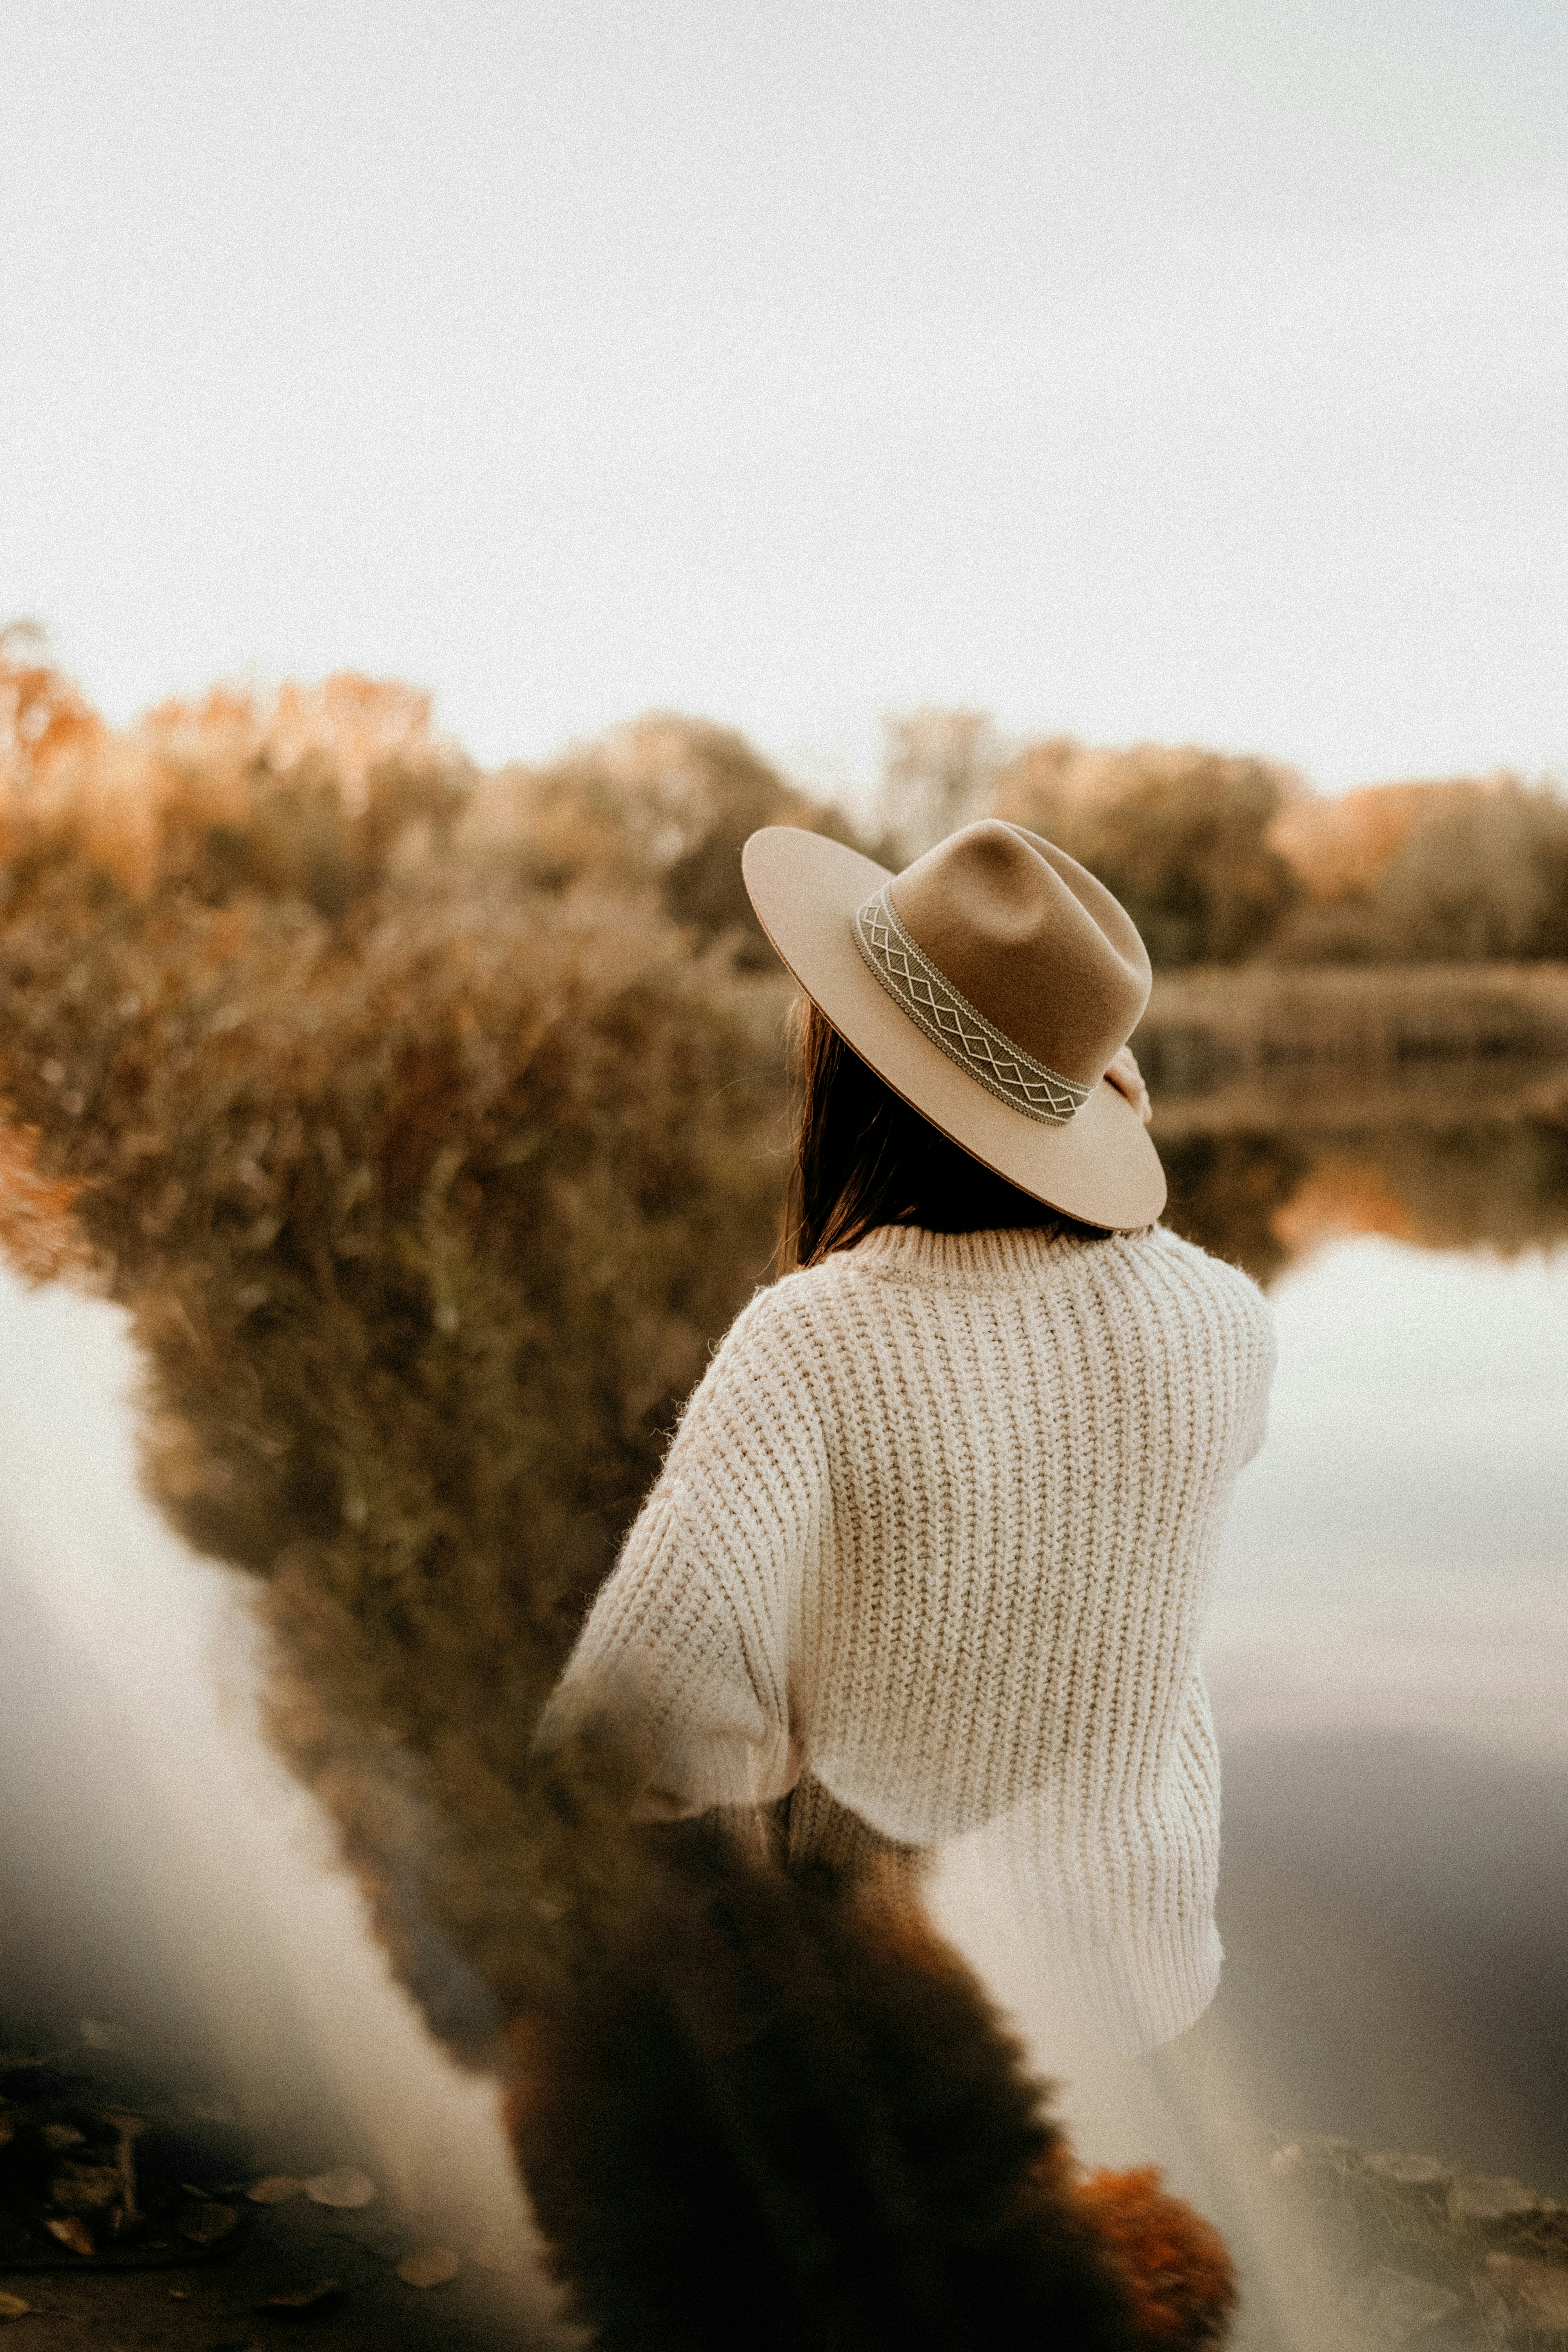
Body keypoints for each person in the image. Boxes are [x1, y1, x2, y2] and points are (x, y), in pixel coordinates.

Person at [543, 817, 1275, 2057]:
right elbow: (1071, 1461)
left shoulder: (816, 1341)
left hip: (913, 2026)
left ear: (857, 1068)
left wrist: (791, 1732)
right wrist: (1072, 1118)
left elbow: (634, 1732)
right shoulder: (1228, 1320)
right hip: (1145, 1982)